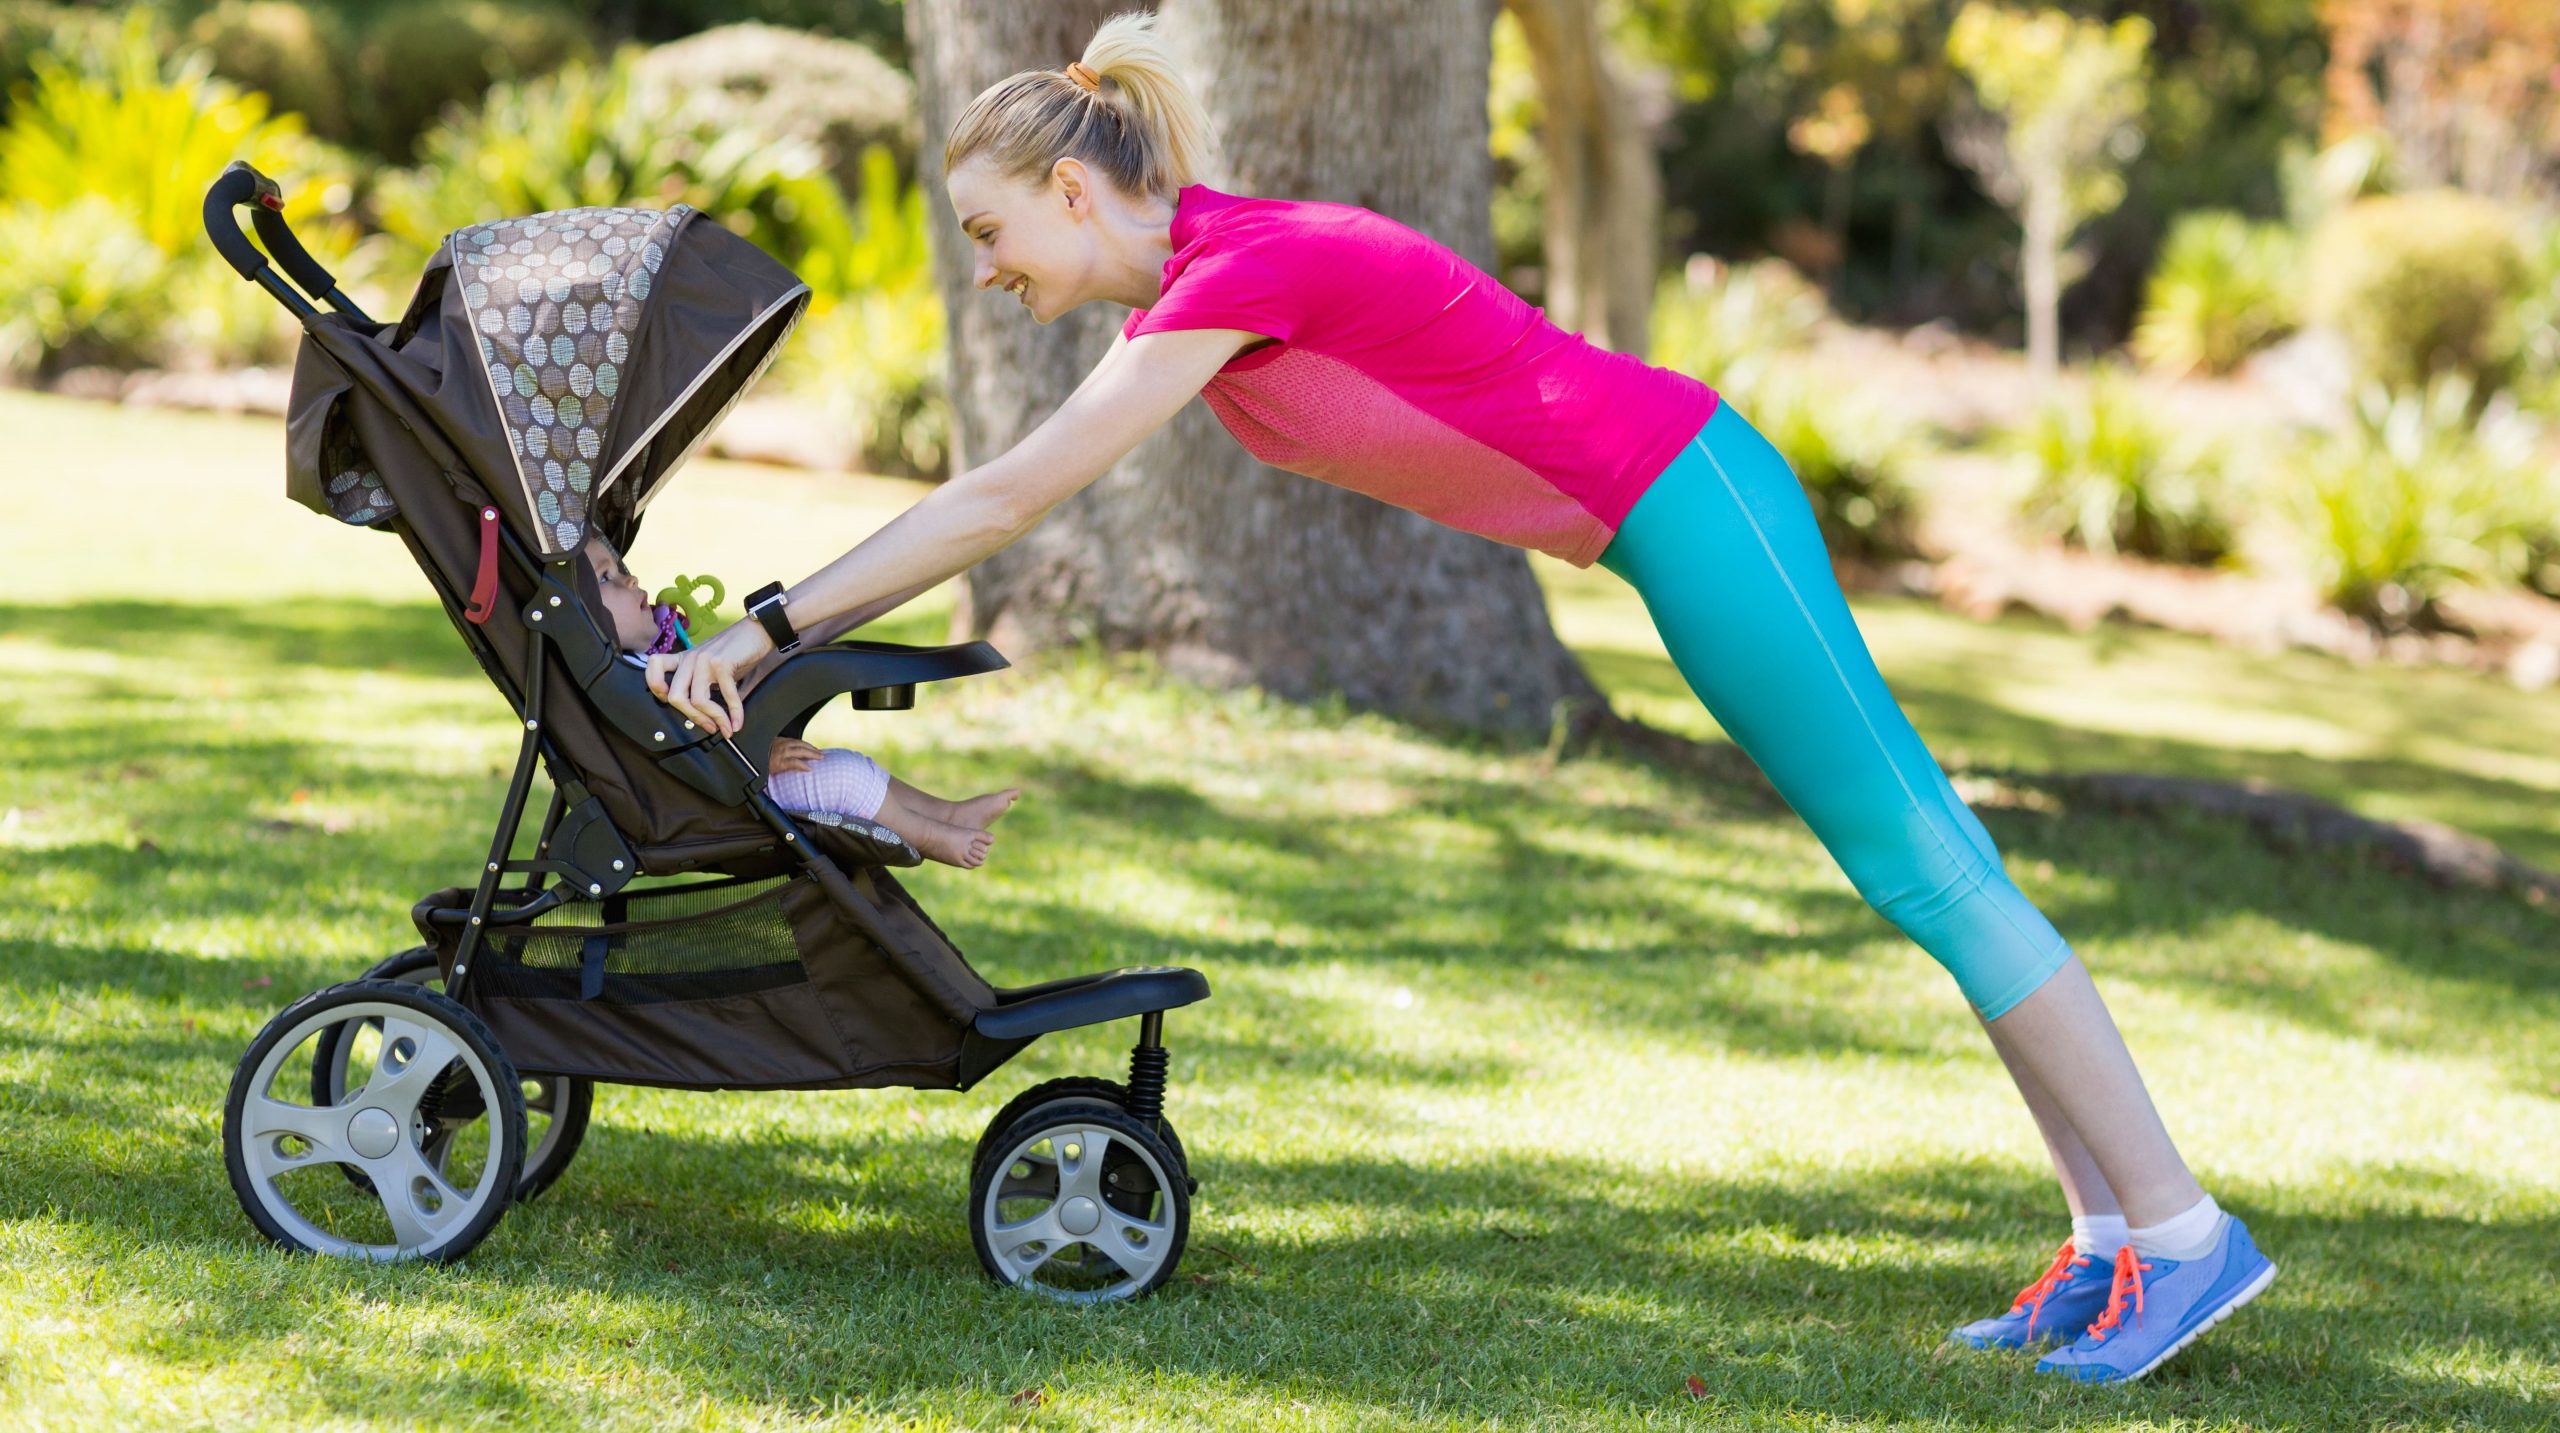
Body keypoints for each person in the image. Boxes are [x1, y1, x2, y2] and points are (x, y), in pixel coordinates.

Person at [650, 12, 2273, 1381]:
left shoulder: (1235, 268)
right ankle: (2111, 1241)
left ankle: (2183, 1230)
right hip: (1670, 523)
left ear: (1074, 187)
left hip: (1697, 499)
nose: (990, 269)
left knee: (1928, 861)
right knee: (1917, 871)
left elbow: (999, 500)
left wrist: (771, 629)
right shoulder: (1198, 283)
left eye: (996, 232)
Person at [584, 538, 1018, 867]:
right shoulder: (632, 682)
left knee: (848, 763)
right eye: (606, 578)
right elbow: (679, 738)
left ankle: (950, 813)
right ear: (584, 622)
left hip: (730, 778)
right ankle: (932, 837)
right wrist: (760, 752)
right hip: (724, 791)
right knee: (846, 779)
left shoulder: (639, 664)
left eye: (619, 568)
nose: (630, 579)